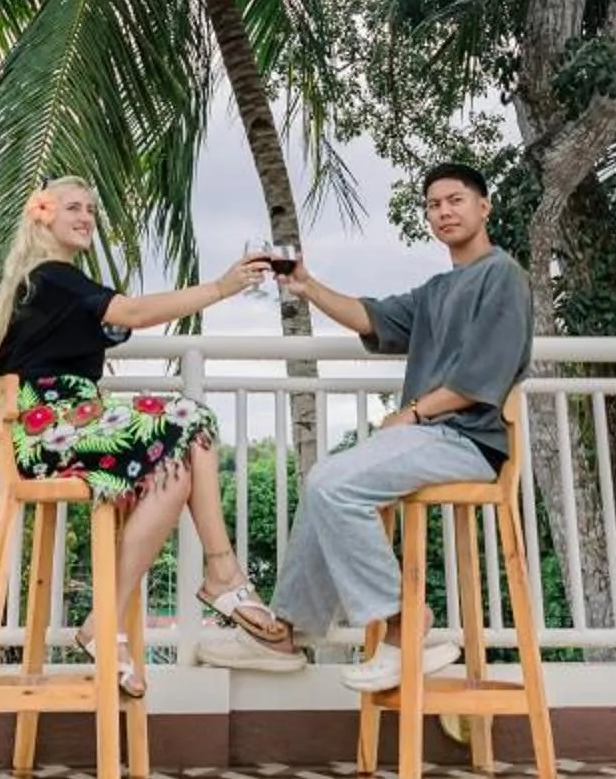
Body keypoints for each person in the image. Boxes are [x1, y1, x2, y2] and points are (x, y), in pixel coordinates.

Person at [200, 162, 533, 692]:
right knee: (325, 480)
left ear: (483, 206)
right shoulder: (438, 290)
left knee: (334, 483)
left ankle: (406, 626)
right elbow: (369, 317)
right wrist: (306, 286)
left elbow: (481, 379)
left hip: (469, 441)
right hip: (426, 439)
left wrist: (416, 411)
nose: (443, 212)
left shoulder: (503, 277)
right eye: (433, 205)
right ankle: (288, 633)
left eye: (455, 200)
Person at [0, 177, 298, 695]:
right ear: (43, 217)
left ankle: (102, 622)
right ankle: (222, 575)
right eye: (73, 208)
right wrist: (222, 288)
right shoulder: (54, 275)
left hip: (73, 421)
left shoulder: (57, 284)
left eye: (91, 209)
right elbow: (131, 313)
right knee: (190, 418)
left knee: (174, 471)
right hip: (52, 429)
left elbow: (114, 325)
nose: (86, 217)